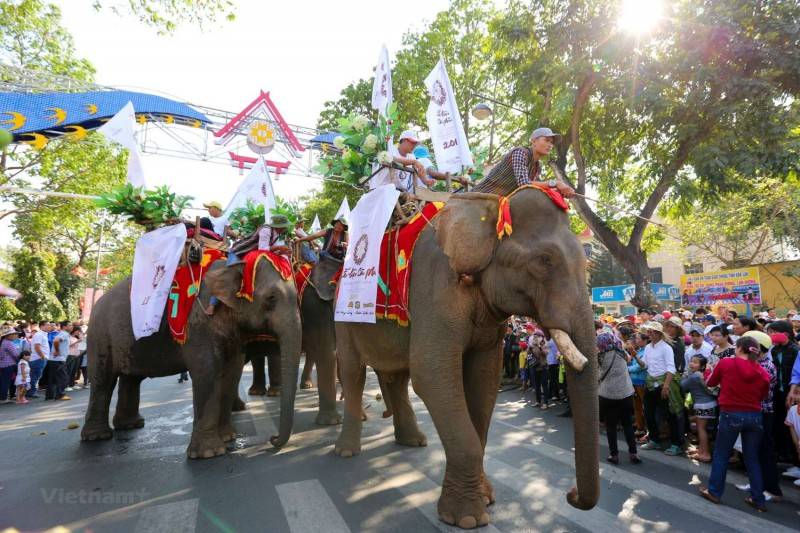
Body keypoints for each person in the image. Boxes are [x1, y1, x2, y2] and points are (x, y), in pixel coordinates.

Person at [699, 336, 770, 512]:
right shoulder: (762, 372)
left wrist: (708, 372)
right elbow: (763, 396)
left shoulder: (726, 363)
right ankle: (758, 499)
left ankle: (714, 492)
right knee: (752, 458)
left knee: (722, 454)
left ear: (739, 348)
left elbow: (711, 383)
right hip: (754, 416)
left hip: (731, 413)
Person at [206, 215, 294, 316]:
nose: (284, 228)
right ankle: (212, 304)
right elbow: (263, 248)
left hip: (251, 256)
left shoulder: (276, 234)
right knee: (231, 275)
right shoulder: (266, 230)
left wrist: (281, 252)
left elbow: (267, 252)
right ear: (278, 226)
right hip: (239, 252)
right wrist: (279, 248)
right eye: (283, 226)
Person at [733, 330, 782, 501]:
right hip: (754, 411)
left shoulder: (765, 365)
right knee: (753, 451)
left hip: (763, 413)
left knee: (764, 451)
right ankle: (757, 484)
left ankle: (773, 490)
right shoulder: (756, 363)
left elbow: (760, 392)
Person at [471, 127, 575, 197]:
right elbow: (524, 184)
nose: (550, 145)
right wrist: (556, 183)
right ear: (534, 141)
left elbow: (537, 187)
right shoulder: (520, 153)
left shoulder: (537, 167)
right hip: (480, 197)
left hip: (499, 204)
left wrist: (560, 191)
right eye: (546, 140)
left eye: (552, 143)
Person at [639, 321, 684, 456]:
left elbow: (671, 368)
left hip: (663, 384)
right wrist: (635, 356)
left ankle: (676, 444)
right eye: (648, 332)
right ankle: (654, 439)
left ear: (658, 333)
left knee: (670, 415)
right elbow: (645, 365)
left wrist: (666, 386)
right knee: (649, 413)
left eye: (651, 332)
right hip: (651, 384)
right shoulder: (648, 347)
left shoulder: (666, 348)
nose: (649, 334)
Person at [597, 332, 641, 465]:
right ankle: (633, 453)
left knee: (610, 427)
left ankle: (614, 455)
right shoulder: (621, 353)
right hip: (625, 394)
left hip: (607, 395)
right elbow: (628, 360)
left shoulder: (600, 356)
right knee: (627, 424)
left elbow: (597, 375)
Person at [681, 355, 716, 462]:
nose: (692, 364)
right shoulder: (701, 374)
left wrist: (685, 375)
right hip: (710, 403)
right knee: (704, 429)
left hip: (702, 405)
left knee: (701, 429)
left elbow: (683, 386)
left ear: (701, 366)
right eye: (691, 361)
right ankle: (702, 450)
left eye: (695, 362)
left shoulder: (694, 376)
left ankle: (705, 454)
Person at [628, 332, 649, 437]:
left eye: (637, 339)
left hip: (641, 382)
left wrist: (627, 369)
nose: (636, 340)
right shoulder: (639, 351)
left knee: (644, 406)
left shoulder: (647, 351)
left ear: (644, 340)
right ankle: (640, 427)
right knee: (637, 406)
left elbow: (640, 367)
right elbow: (633, 364)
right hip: (634, 382)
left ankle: (646, 428)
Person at [48, 321, 72, 401]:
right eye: (69, 325)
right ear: (64, 327)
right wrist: (57, 351)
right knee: (63, 378)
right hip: (59, 359)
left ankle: (50, 395)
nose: (71, 326)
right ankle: (60, 395)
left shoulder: (63, 334)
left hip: (54, 359)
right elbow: (56, 341)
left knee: (53, 378)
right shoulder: (64, 333)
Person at [28, 321, 51, 399]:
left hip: (40, 358)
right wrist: (42, 356)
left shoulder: (43, 334)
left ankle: (32, 391)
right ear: (41, 326)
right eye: (47, 325)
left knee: (36, 376)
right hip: (38, 359)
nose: (49, 326)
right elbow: (37, 346)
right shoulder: (39, 335)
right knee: (35, 376)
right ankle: (31, 392)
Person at [528, 331, 549, 408]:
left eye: (537, 336)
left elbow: (545, 353)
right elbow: (528, 354)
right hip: (535, 366)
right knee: (537, 385)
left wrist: (539, 346)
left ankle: (546, 403)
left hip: (543, 366)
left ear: (541, 337)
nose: (535, 338)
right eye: (534, 336)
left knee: (544, 384)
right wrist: (530, 348)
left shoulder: (544, 343)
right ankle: (538, 401)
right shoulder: (532, 344)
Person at [0, 325, 20, 403]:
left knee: (4, 381)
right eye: (13, 334)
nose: (15, 335)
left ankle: (3, 397)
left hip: (3, 365)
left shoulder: (4, 342)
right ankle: (3, 398)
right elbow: (15, 355)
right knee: (6, 382)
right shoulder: (9, 343)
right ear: (8, 335)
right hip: (9, 365)